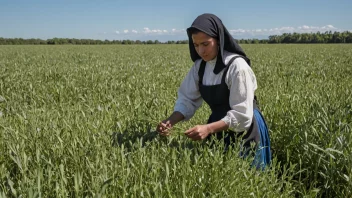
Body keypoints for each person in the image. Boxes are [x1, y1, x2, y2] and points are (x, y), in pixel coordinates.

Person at [156, 13, 271, 169]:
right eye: (196, 45)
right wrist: (170, 121)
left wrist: (208, 128)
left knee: (248, 176)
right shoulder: (200, 67)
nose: (201, 51)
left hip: (246, 128)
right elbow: (187, 99)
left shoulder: (237, 67)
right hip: (217, 127)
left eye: (205, 44)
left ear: (218, 40)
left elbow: (242, 115)